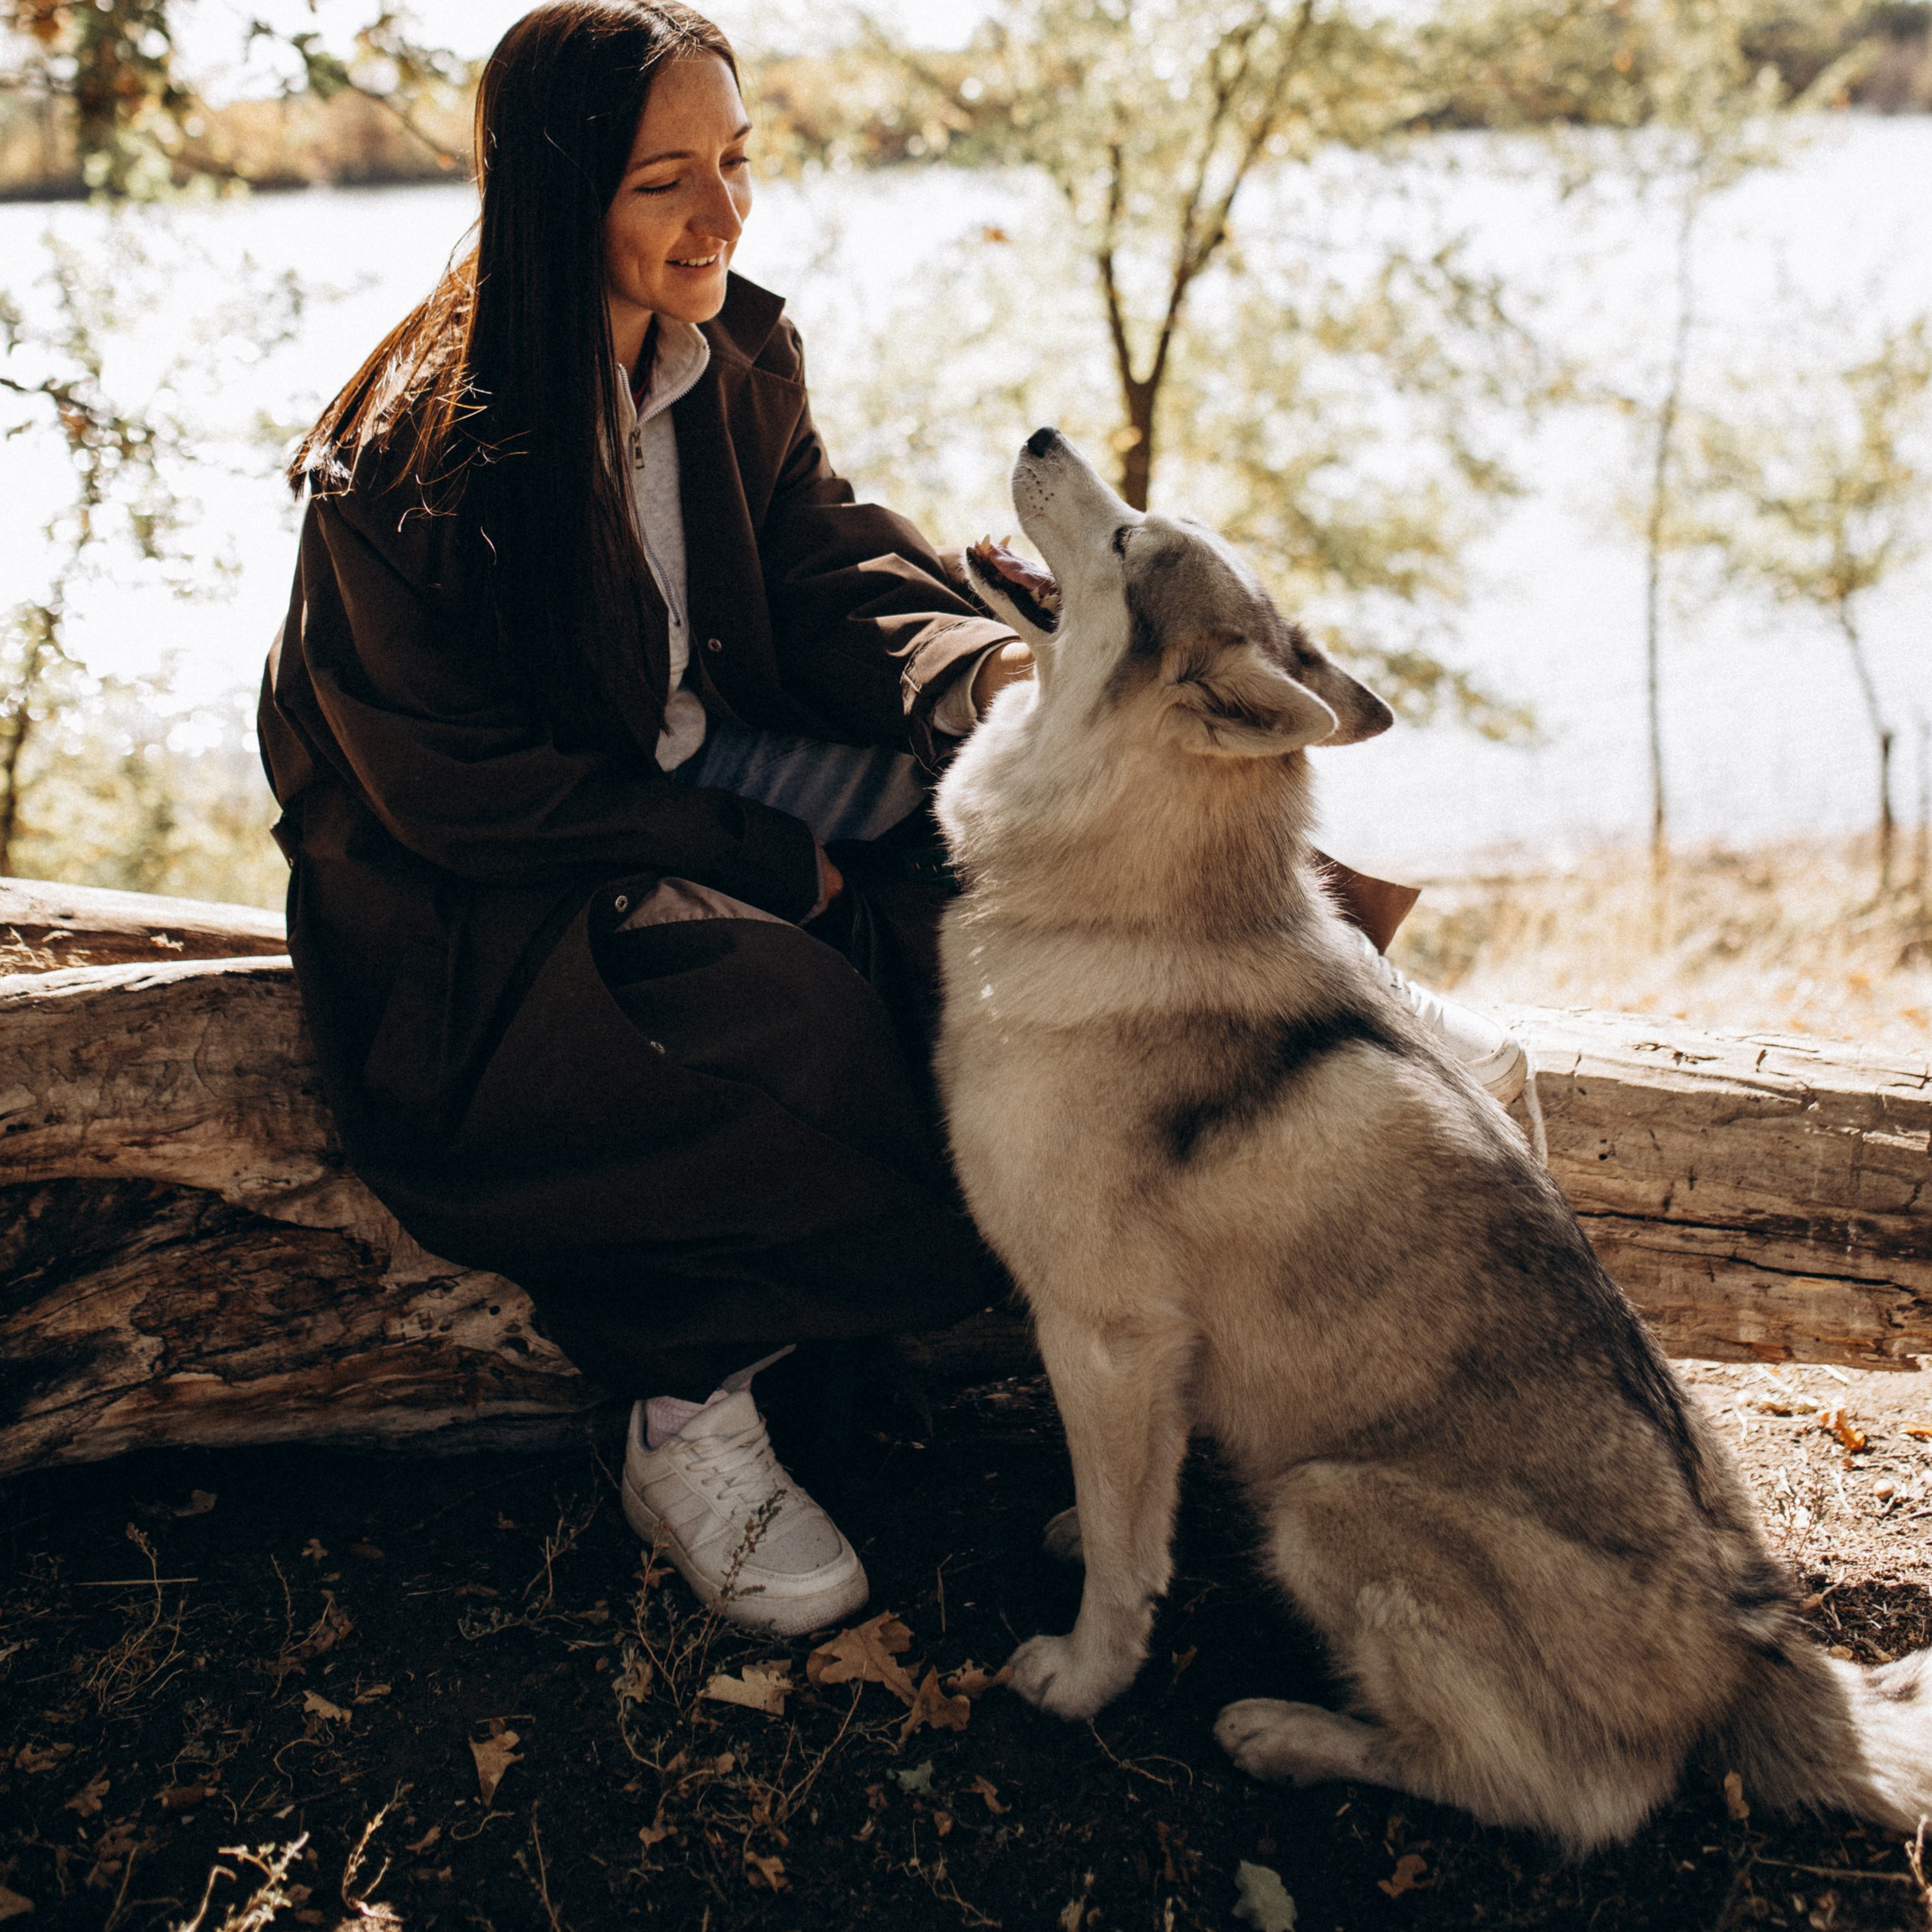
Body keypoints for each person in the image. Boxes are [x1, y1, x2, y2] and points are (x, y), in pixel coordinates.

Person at [257, 0, 1524, 1638]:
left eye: (735, 160)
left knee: (1017, 819)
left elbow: (819, 558)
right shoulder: (407, 468)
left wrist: (980, 677)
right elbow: (455, 790)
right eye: (664, 182)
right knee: (803, 1028)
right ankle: (680, 1411)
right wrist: (762, 862)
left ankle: (1325, 993)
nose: (722, 214)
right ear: (559, 195)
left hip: (715, 776)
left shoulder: (726, 353)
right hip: (501, 897)